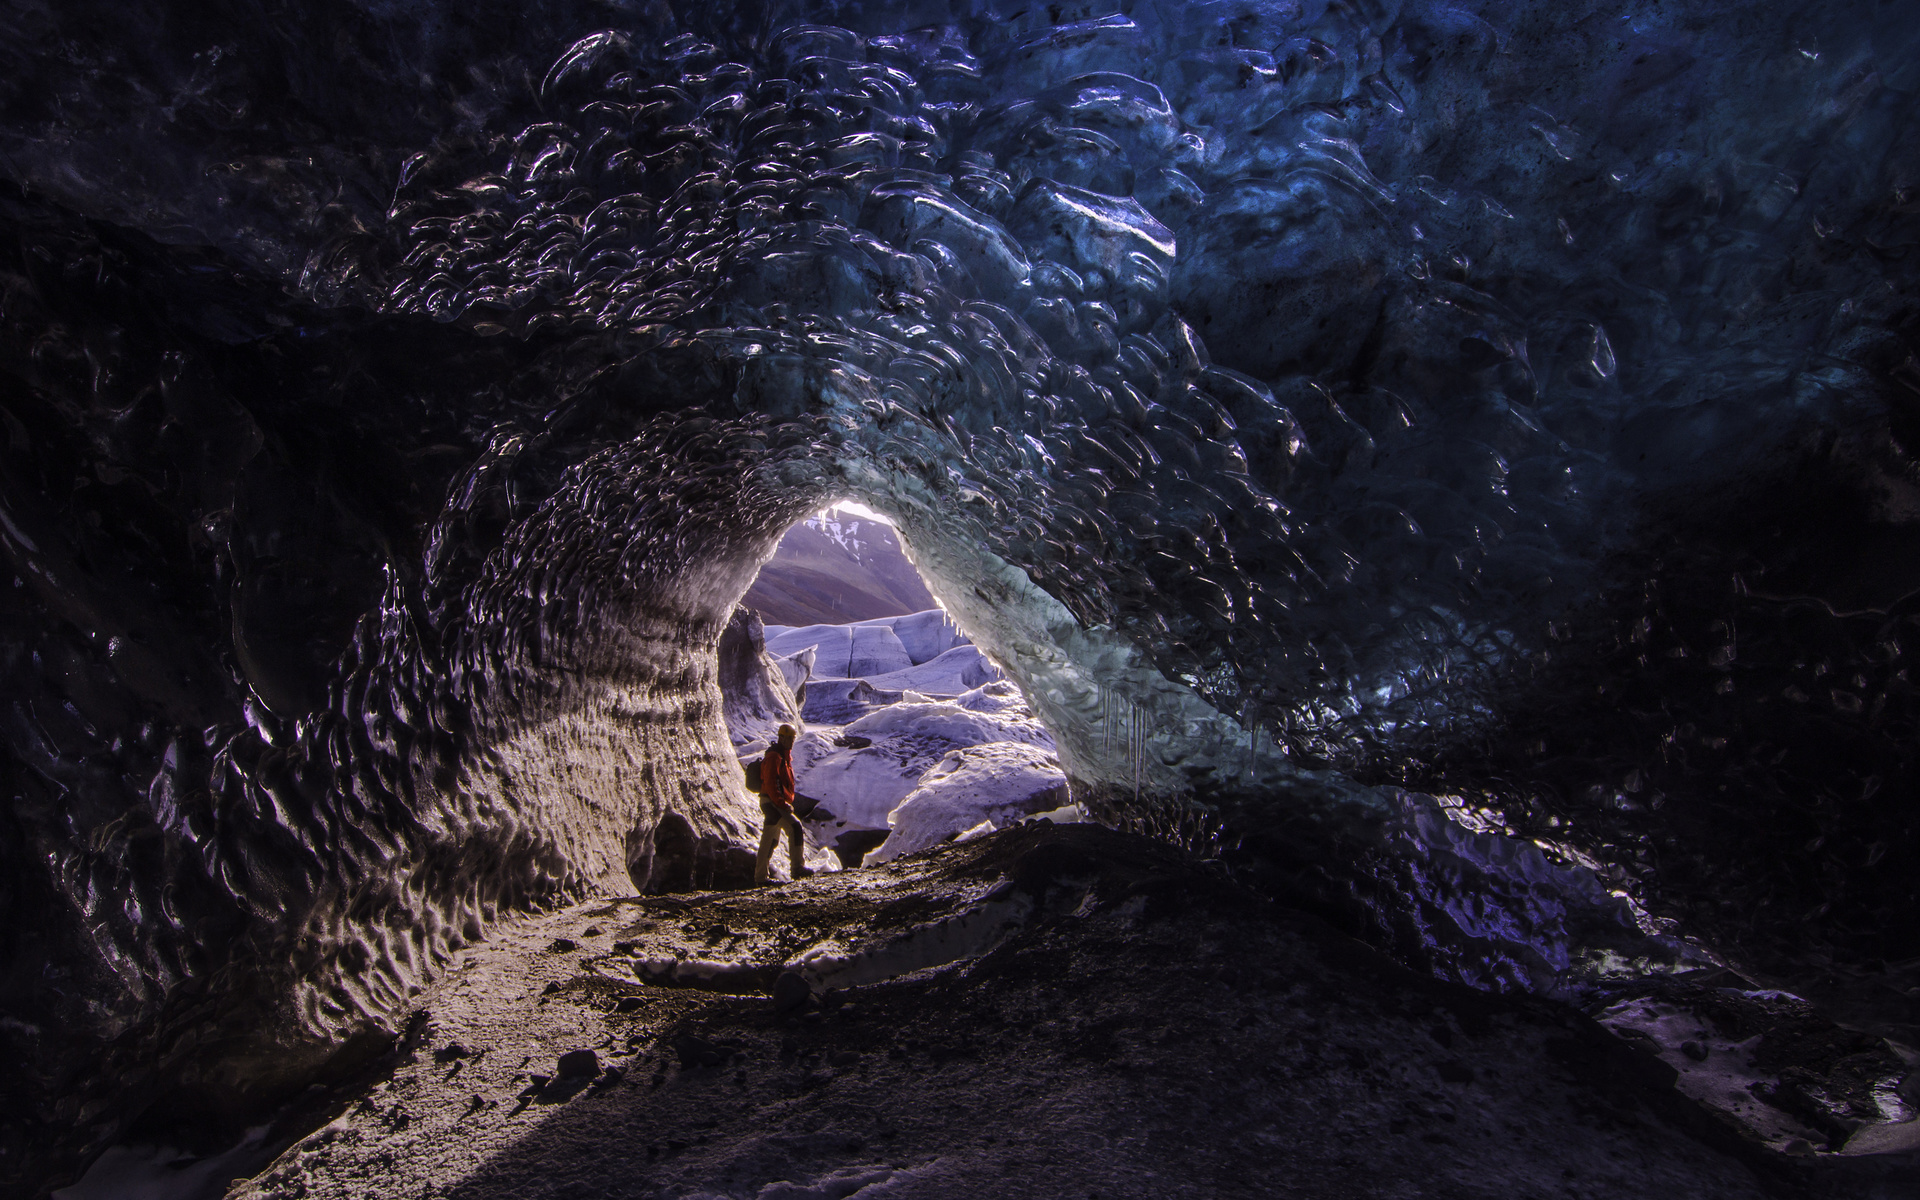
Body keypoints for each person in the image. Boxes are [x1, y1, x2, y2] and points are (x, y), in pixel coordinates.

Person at [754, 724, 809, 885]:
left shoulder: (782, 756)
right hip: (772, 802)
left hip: (770, 801)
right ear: (781, 738)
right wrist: (781, 803)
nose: (792, 741)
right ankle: (797, 868)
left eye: (793, 738)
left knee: (770, 839)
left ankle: (760, 877)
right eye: (789, 738)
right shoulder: (775, 757)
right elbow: (772, 782)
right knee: (795, 827)